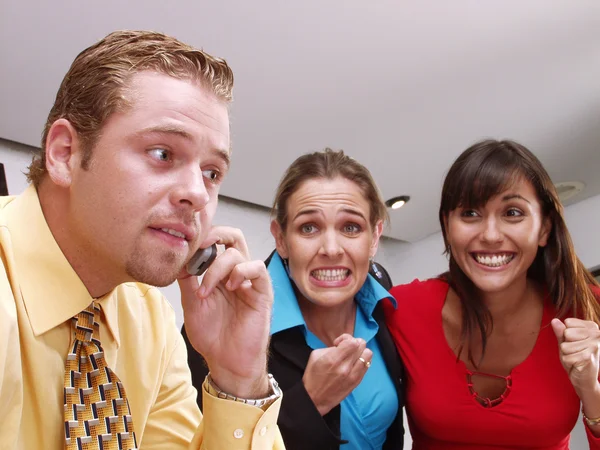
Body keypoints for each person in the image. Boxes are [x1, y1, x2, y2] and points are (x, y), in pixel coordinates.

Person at [0, 30, 284, 449]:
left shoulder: (148, 318)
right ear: (65, 153)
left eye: (212, 173)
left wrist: (240, 378)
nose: (199, 194)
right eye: (162, 154)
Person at [384, 139, 600, 449]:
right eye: (470, 213)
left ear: (543, 229)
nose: (490, 235)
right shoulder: (401, 309)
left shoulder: (586, 310)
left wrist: (591, 390)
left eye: (512, 213)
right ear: (447, 225)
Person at [185, 148, 405, 450]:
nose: (331, 248)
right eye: (309, 228)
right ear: (281, 238)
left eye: (351, 227)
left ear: (375, 237)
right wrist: (310, 403)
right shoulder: (221, 324)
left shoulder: (383, 301)